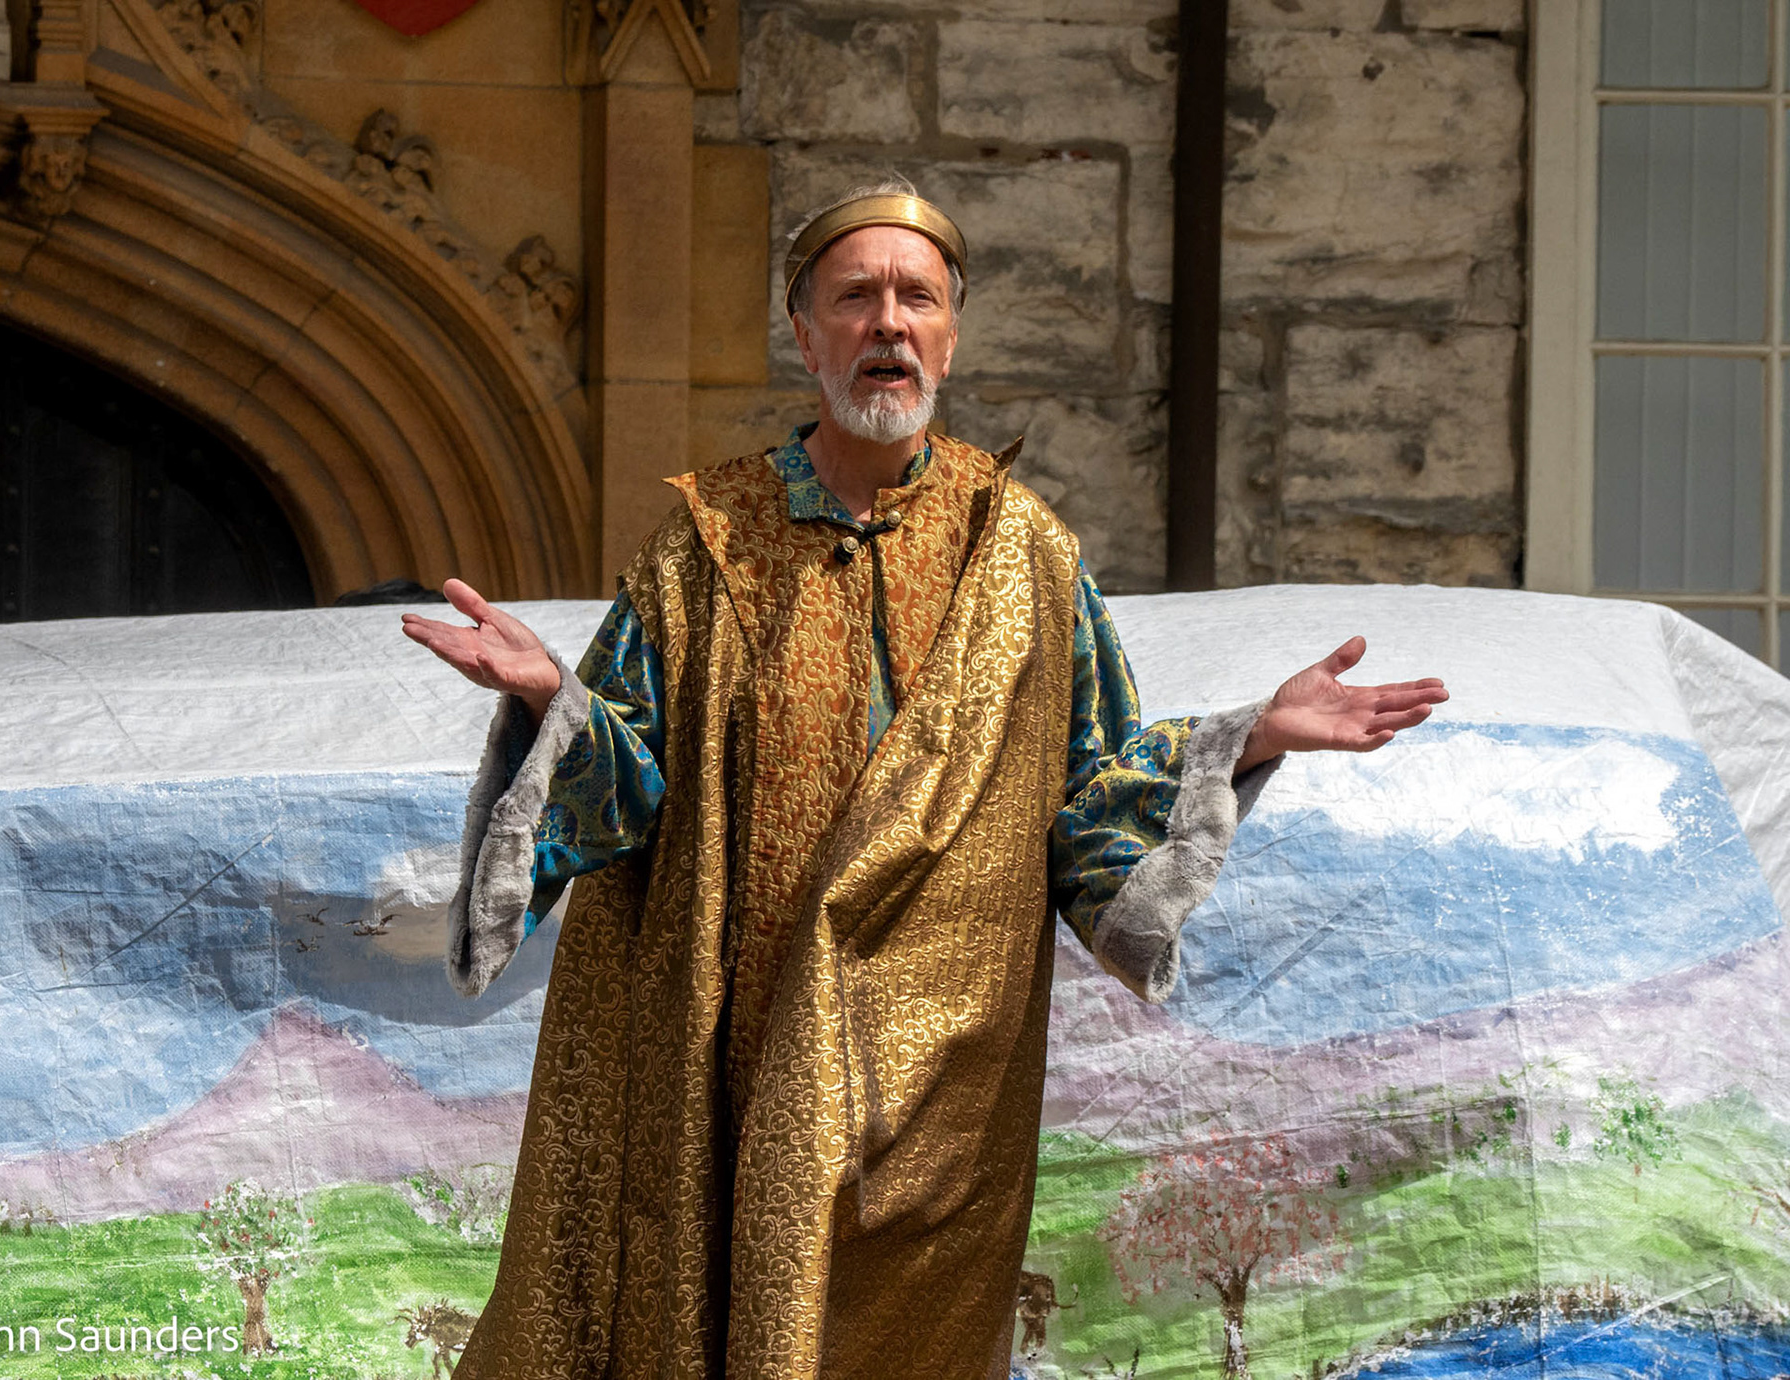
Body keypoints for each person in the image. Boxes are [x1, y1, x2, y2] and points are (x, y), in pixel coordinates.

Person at [401, 177, 1448, 1380]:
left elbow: (1091, 802)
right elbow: (628, 791)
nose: (888, 324)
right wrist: (553, 697)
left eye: (917, 298)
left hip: (945, 1092)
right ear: (806, 334)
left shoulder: (1032, 556)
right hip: (735, 1066)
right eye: (856, 298)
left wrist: (1249, 736)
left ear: (951, 334)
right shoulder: (706, 545)